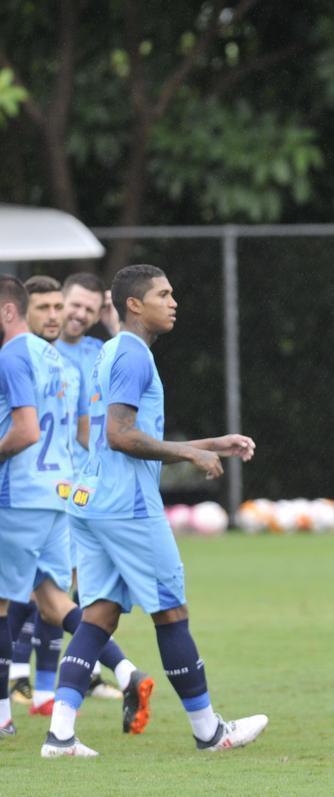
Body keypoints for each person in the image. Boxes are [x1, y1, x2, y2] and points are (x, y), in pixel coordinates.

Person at [43, 265, 266, 757]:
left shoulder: (112, 352)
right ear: (133, 305)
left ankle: (60, 735)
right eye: (163, 294)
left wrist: (210, 443)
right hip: (128, 508)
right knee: (171, 611)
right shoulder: (133, 355)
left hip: (93, 502)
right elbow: (120, 435)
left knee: (98, 616)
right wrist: (189, 454)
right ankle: (210, 732)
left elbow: (126, 430)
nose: (174, 301)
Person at [0, 276, 150, 742]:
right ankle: (124, 670)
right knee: (53, 601)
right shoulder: (62, 364)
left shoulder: (13, 355)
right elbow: (83, 432)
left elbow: (25, 431)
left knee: (3, 604)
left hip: (20, 494)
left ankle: (2, 714)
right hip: (58, 495)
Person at [8, 273, 122, 703]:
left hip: (45, 486)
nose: (70, 314)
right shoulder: (51, 359)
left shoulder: (84, 356)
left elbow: (76, 430)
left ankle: (29, 689)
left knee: (35, 588)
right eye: (62, 305)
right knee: (45, 591)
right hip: (53, 488)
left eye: (86, 309)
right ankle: (39, 685)